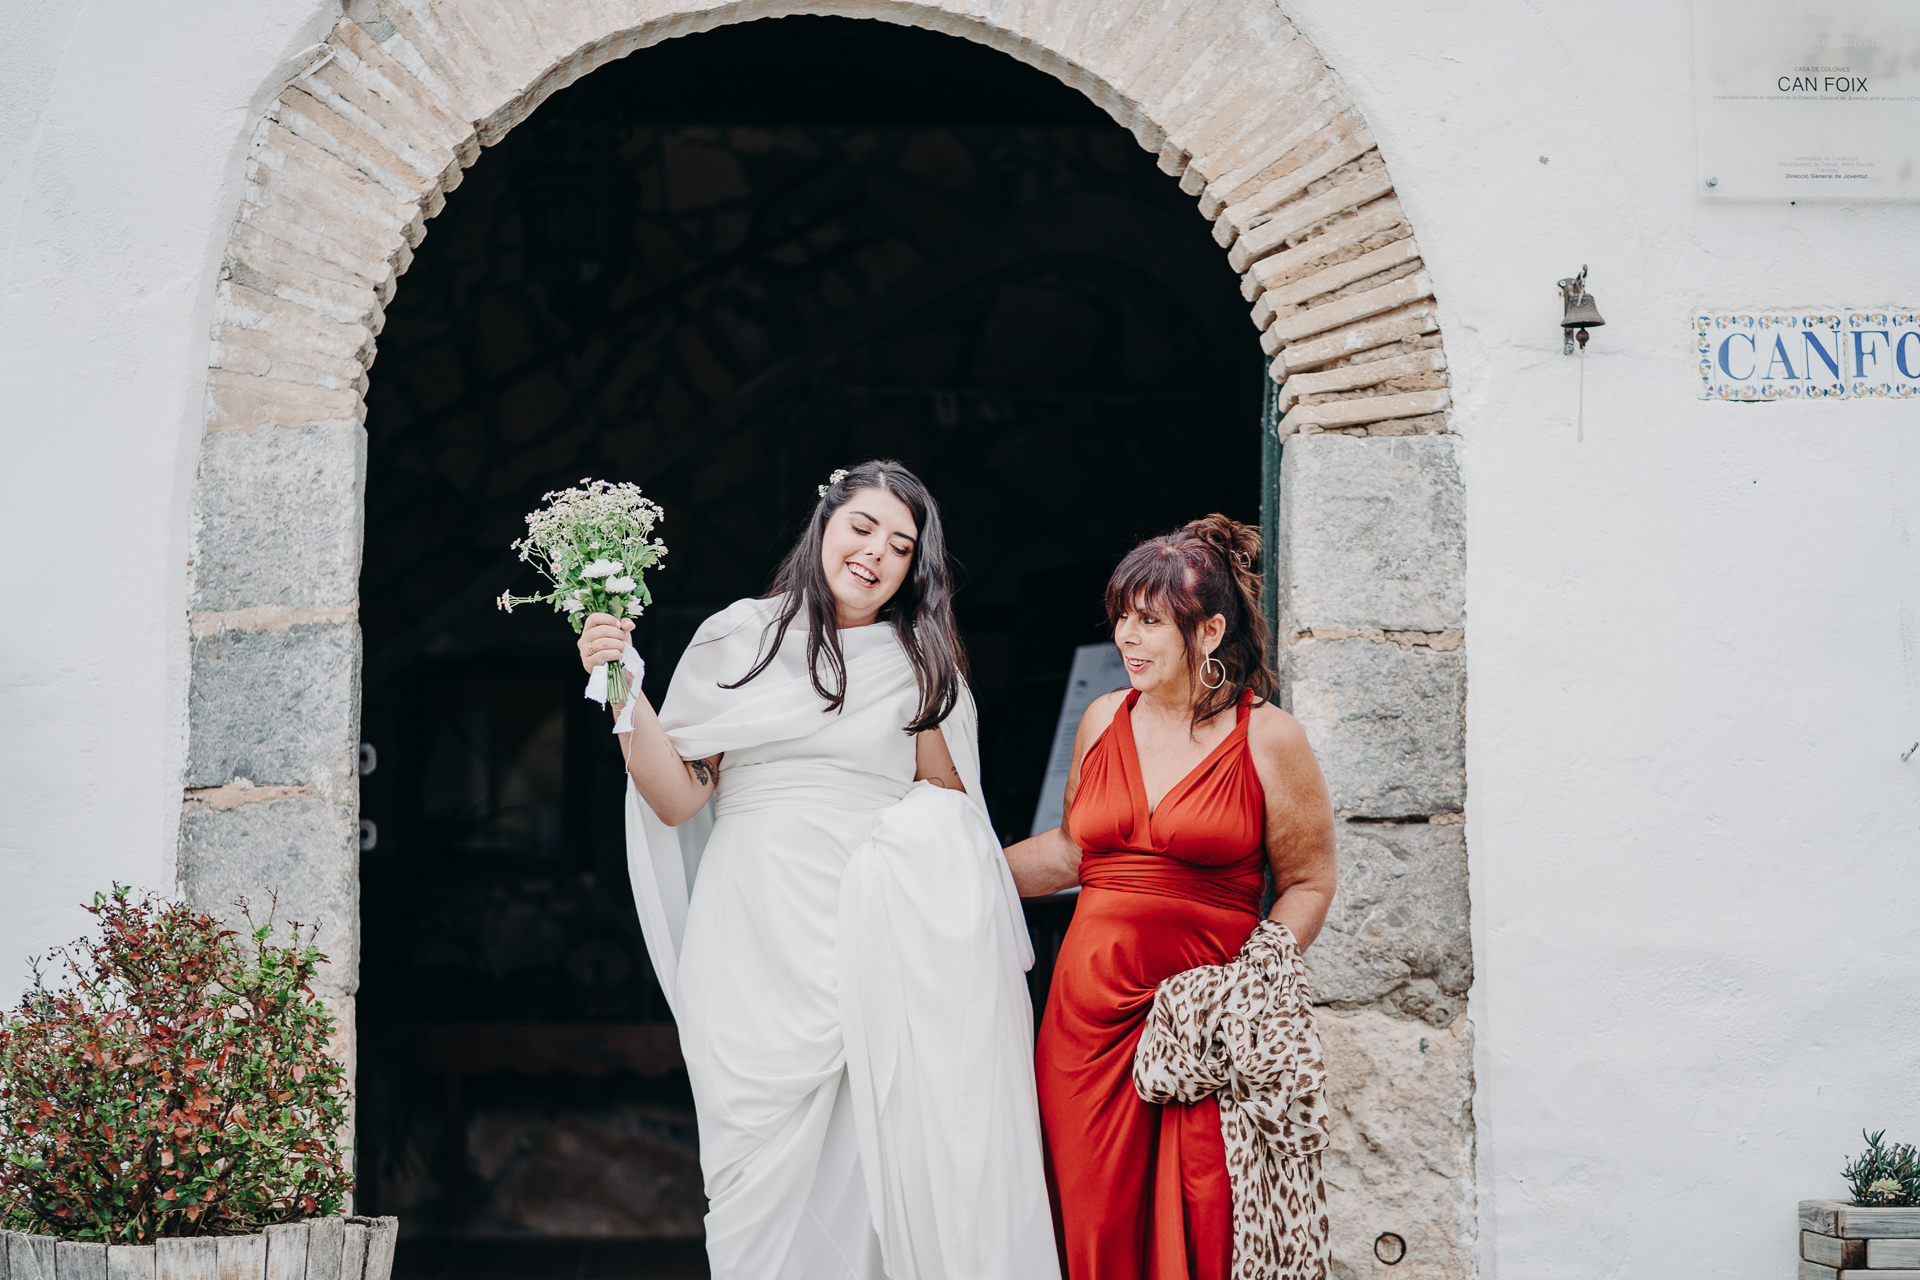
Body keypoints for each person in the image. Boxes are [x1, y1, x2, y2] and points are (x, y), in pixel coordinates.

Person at [578, 460, 1059, 1280]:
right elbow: (674, 799)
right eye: (863, 528)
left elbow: (957, 827)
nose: (876, 554)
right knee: (747, 1186)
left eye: (901, 547)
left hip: (871, 951)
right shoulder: (735, 638)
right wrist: (620, 681)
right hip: (749, 944)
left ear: (915, 571)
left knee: (871, 1179)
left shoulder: (921, 667)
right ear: (824, 524)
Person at [1003, 515, 1339, 1280]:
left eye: (1151, 620)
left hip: (1201, 1030)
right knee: (1088, 1228)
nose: (1128, 636)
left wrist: (1249, 982)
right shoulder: (1102, 719)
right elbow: (1072, 852)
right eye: (1123, 615)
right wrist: (943, 873)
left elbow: (1310, 882)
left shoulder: (1268, 737)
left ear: (1210, 630)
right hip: (1084, 1028)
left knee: (1207, 1225)